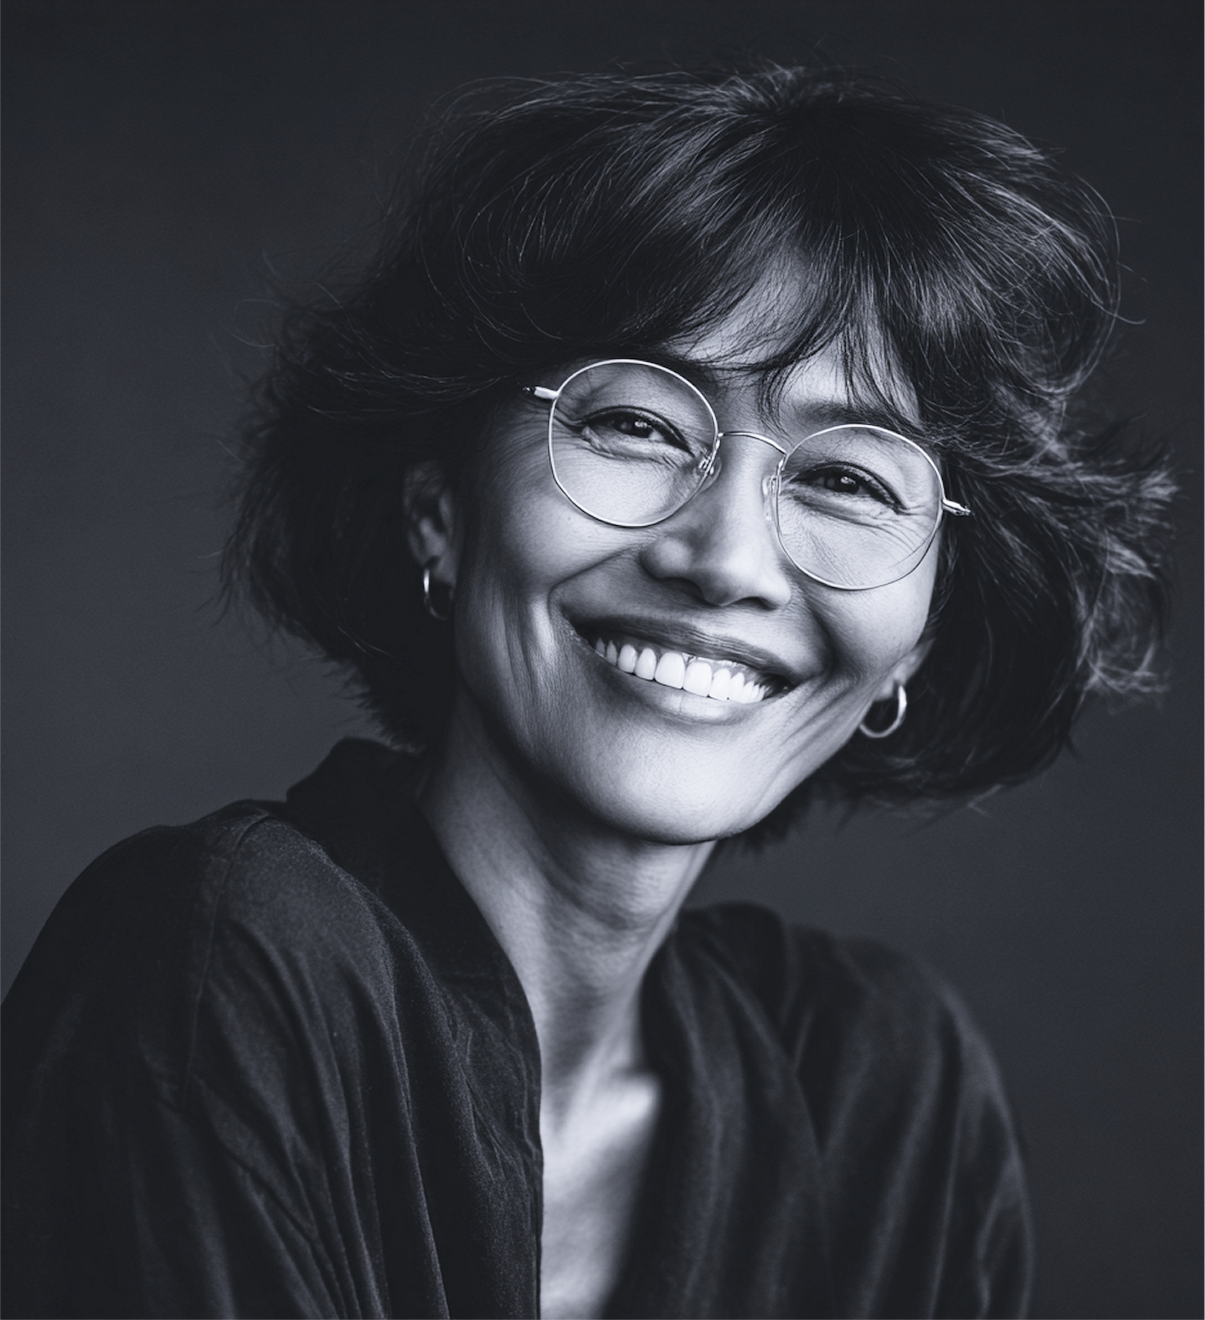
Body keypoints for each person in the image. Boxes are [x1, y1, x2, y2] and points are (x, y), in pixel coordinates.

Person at [0, 65, 1173, 1320]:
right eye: (639, 425)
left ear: (917, 640)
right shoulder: (220, 963)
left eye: (849, 482)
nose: (722, 559)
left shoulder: (884, 1098)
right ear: (437, 511)